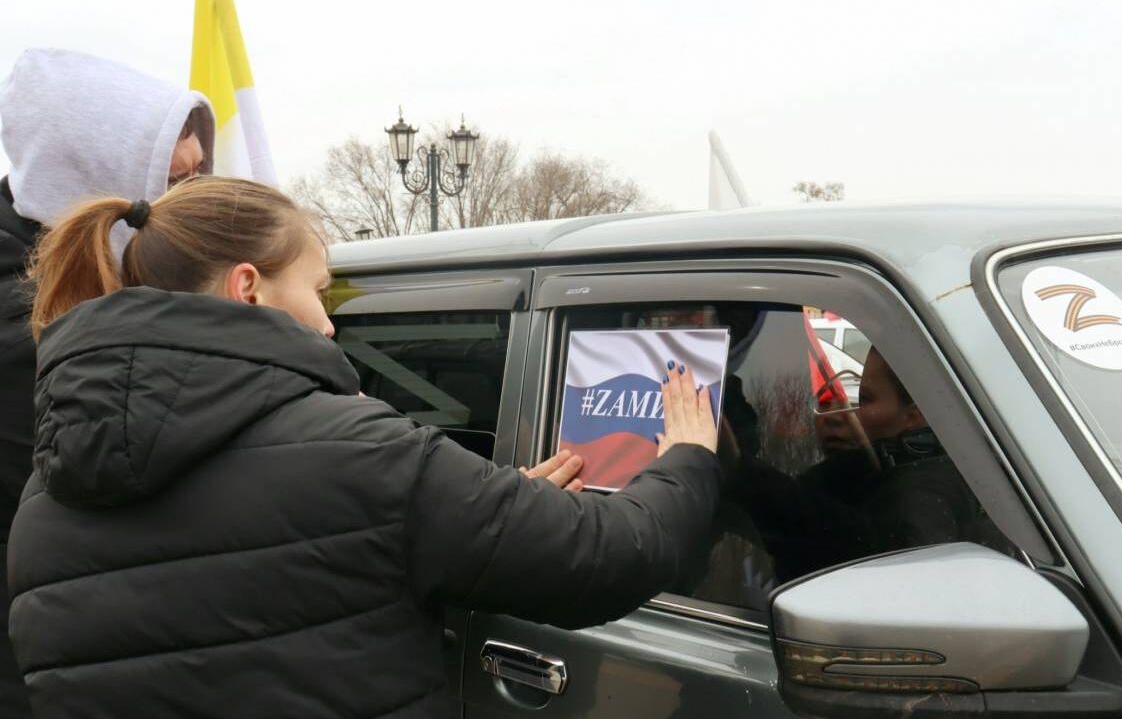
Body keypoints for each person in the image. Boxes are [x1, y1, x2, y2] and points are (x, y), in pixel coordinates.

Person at [6, 176, 722, 719]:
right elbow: (606, 557)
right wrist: (687, 456)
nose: (327, 325)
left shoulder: (42, 504)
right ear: (248, 287)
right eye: (319, 291)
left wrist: (485, 506)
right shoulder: (363, 457)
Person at [0, 48, 216, 717]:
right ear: (97, 176)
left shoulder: (109, 294)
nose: (187, 207)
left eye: (199, 178)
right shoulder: (28, 326)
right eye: (171, 181)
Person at [735, 346, 993, 582]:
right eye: (824, 403)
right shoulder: (874, 474)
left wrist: (735, 468)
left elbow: (855, 541)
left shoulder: (920, 496)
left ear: (914, 415)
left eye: (864, 400)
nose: (839, 416)